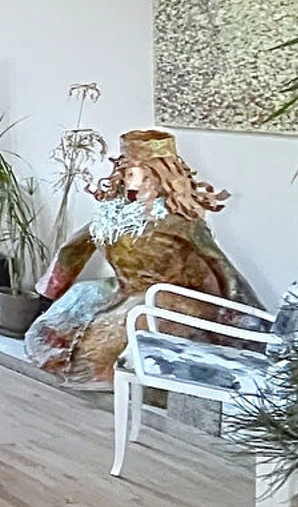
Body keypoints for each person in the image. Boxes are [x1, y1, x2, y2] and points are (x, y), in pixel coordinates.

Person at [25, 128, 261, 383]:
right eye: (128, 173)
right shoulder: (111, 218)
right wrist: (51, 289)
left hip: (168, 298)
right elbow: (74, 248)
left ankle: (125, 377)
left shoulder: (180, 222)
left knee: (114, 335)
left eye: (144, 175)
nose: (134, 182)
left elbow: (221, 265)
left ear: (162, 177)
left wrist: (247, 319)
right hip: (122, 290)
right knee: (67, 311)